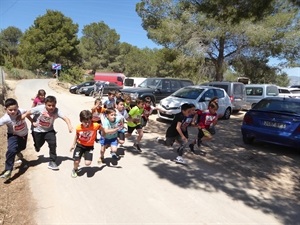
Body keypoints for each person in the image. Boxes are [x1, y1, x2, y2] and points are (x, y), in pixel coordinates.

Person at [21, 95, 73, 170]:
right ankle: (37, 146)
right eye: (49, 105)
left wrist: (69, 126)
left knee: (53, 144)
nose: (51, 107)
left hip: (49, 131)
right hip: (37, 130)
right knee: (38, 145)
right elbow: (27, 113)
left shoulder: (57, 111)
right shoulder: (40, 108)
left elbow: (65, 118)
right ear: (45, 104)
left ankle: (52, 161)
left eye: (53, 105)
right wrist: (31, 121)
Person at [0, 98, 33, 179]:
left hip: (24, 134)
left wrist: (31, 121)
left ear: (18, 107)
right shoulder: (5, 118)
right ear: (5, 109)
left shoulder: (21, 111)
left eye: (15, 109)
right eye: (10, 110)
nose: (13, 112)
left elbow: (28, 112)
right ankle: (8, 170)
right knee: (11, 150)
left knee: (22, 147)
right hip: (13, 135)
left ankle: (18, 152)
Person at [70, 110, 103, 178]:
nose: (87, 124)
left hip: (89, 147)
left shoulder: (95, 125)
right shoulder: (79, 128)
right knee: (76, 161)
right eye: (85, 122)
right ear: (81, 120)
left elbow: (102, 129)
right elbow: (76, 135)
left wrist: (104, 135)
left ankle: (84, 154)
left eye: (89, 122)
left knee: (88, 163)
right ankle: (75, 169)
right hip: (80, 145)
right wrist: (73, 144)